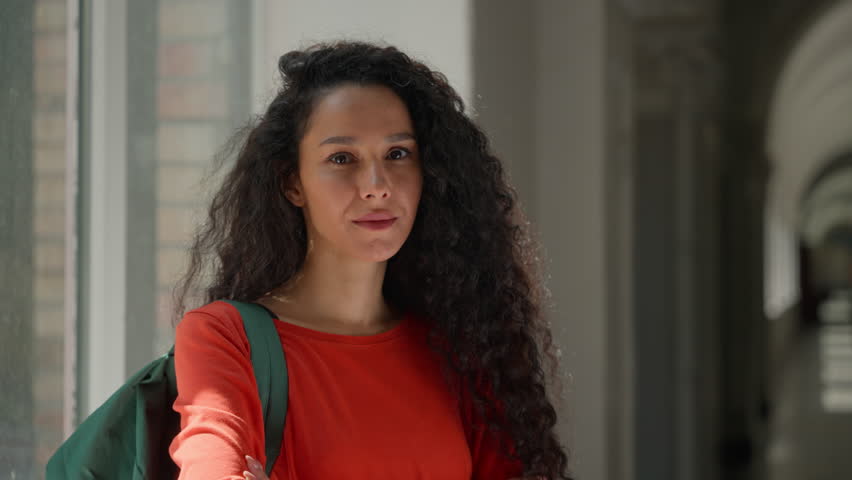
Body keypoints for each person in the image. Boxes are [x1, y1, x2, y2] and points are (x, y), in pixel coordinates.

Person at [168, 40, 571, 480]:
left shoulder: (463, 347)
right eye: (342, 158)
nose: (377, 185)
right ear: (293, 183)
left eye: (398, 154)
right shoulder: (225, 338)